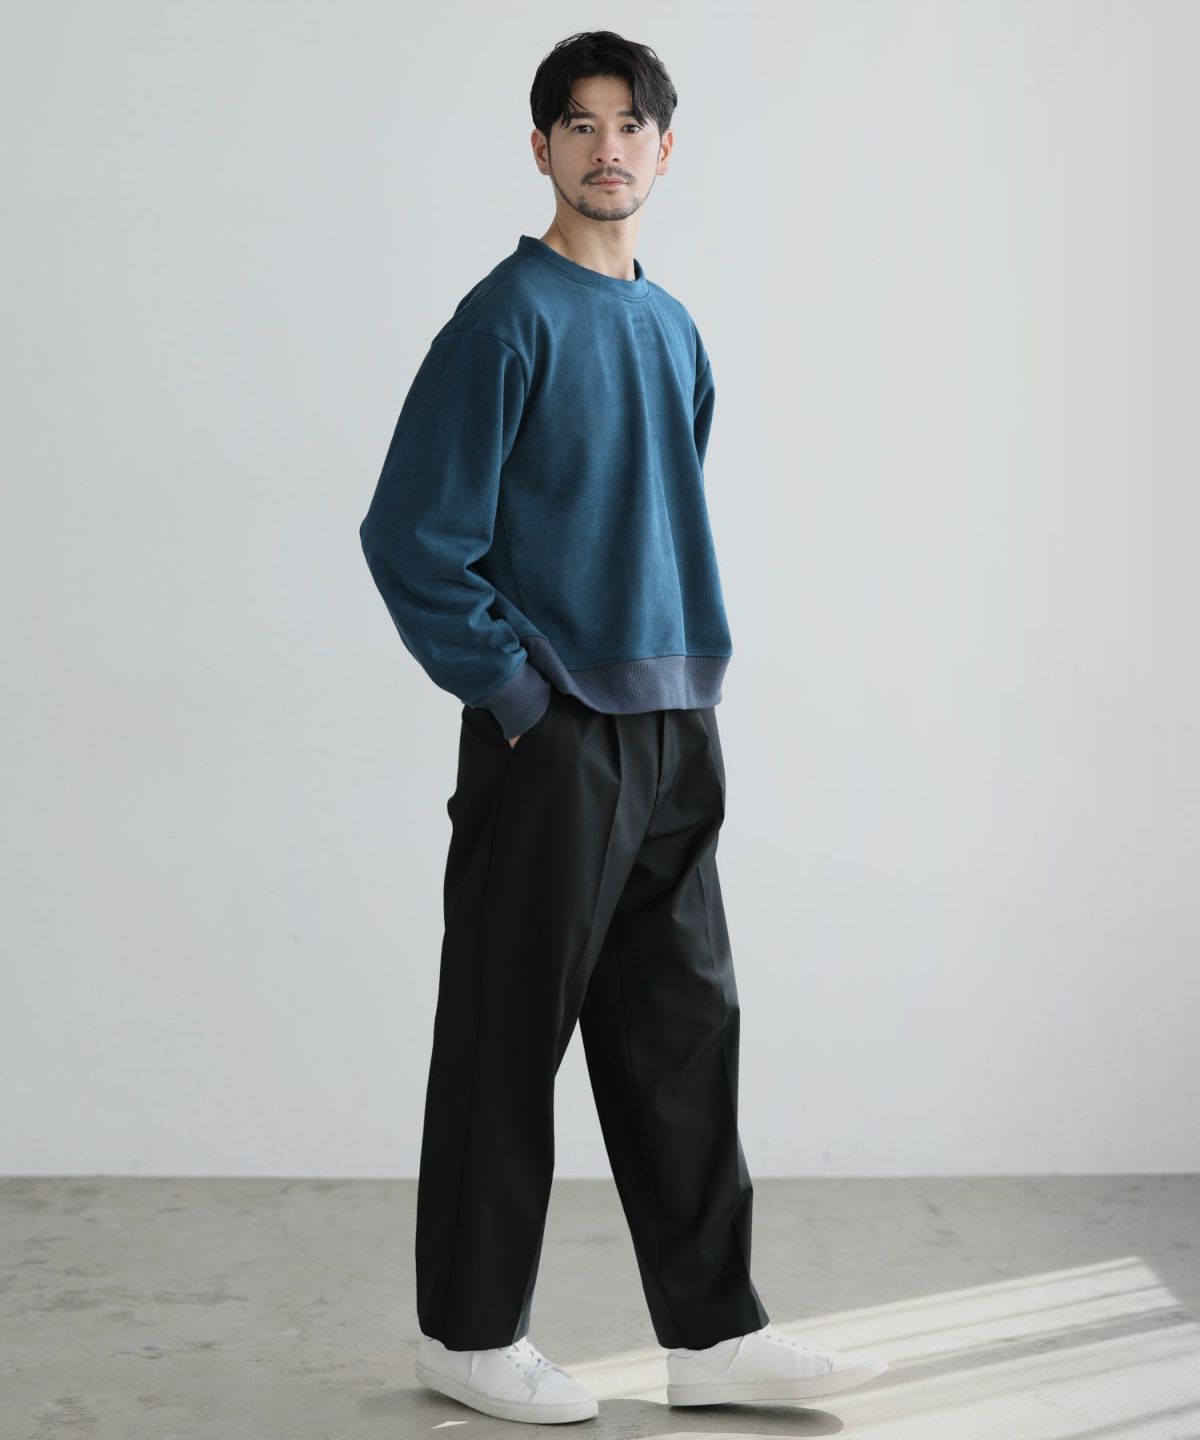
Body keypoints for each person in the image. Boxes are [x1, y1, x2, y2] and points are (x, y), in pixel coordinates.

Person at [358, 28, 889, 1427]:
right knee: (507, 1035)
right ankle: (468, 1335)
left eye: (630, 125)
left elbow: (652, 511)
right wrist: (517, 697)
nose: (608, 148)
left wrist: (670, 691)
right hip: (554, 738)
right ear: (540, 147)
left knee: (683, 1033)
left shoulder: (673, 328)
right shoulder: (503, 321)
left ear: (665, 149)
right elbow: (411, 537)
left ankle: (712, 1338)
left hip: (673, 723)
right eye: (580, 125)